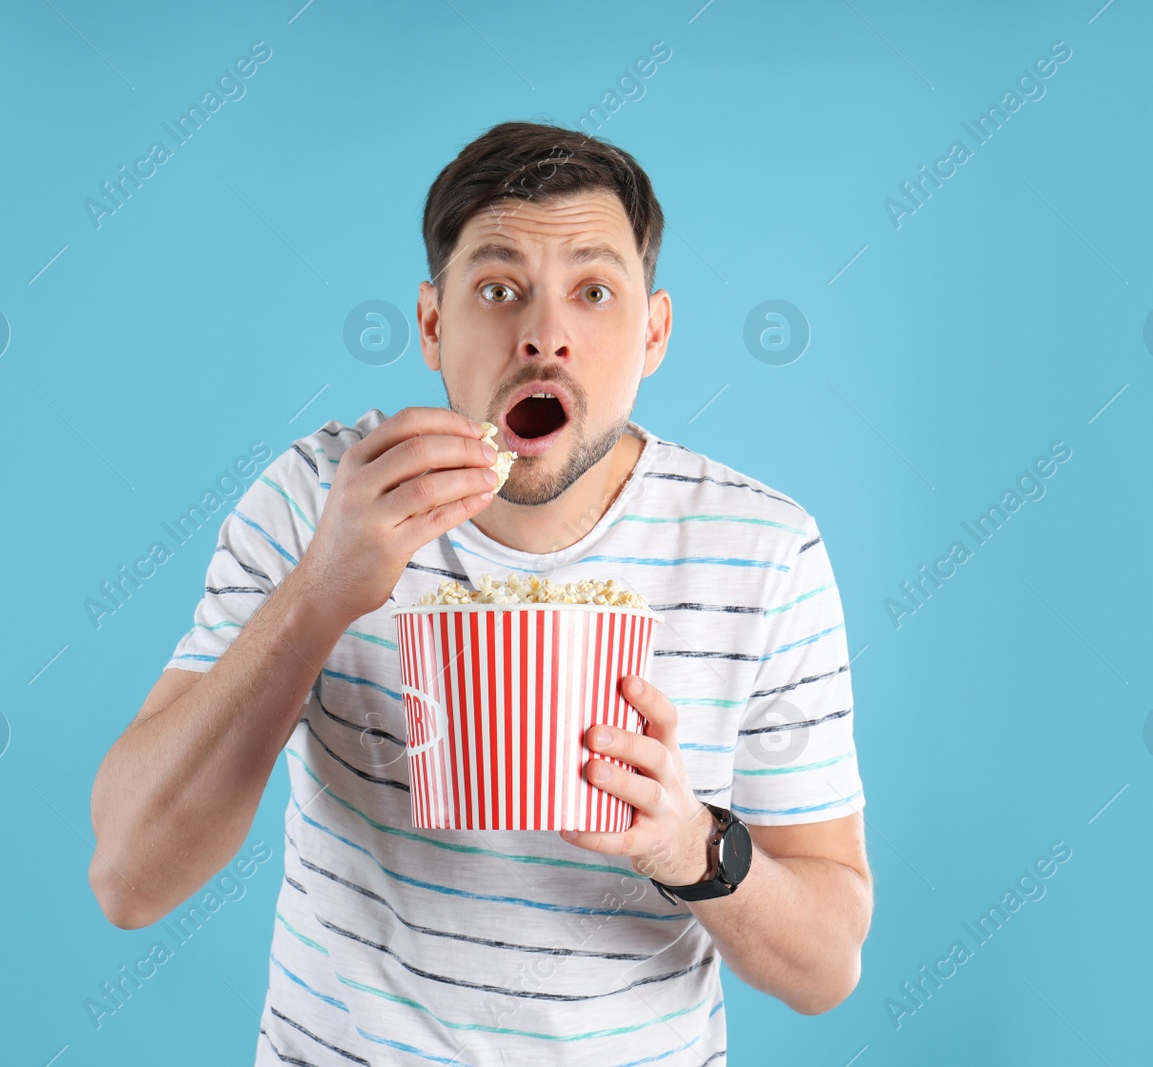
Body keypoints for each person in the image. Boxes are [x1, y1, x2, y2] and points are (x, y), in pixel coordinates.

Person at [88, 120, 871, 1065]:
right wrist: (321, 593)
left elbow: (827, 965)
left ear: (654, 331)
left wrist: (690, 847)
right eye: (499, 290)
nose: (546, 333)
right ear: (431, 324)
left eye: (594, 291)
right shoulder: (315, 500)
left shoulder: (765, 550)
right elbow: (129, 877)